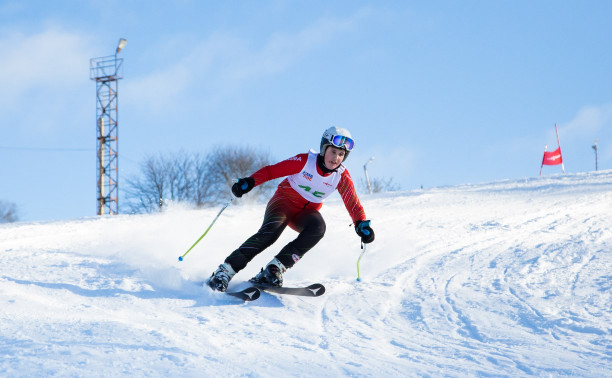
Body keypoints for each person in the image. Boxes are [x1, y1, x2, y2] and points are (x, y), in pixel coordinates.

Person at [208, 126, 375, 292]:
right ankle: (225, 271)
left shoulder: (341, 177)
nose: (336, 158)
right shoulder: (305, 161)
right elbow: (270, 171)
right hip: (282, 203)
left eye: (341, 154)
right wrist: (250, 182)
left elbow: (353, 203)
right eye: (333, 151)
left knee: (318, 228)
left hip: (304, 214)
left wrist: (361, 224)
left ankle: (274, 269)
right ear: (324, 149)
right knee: (270, 233)